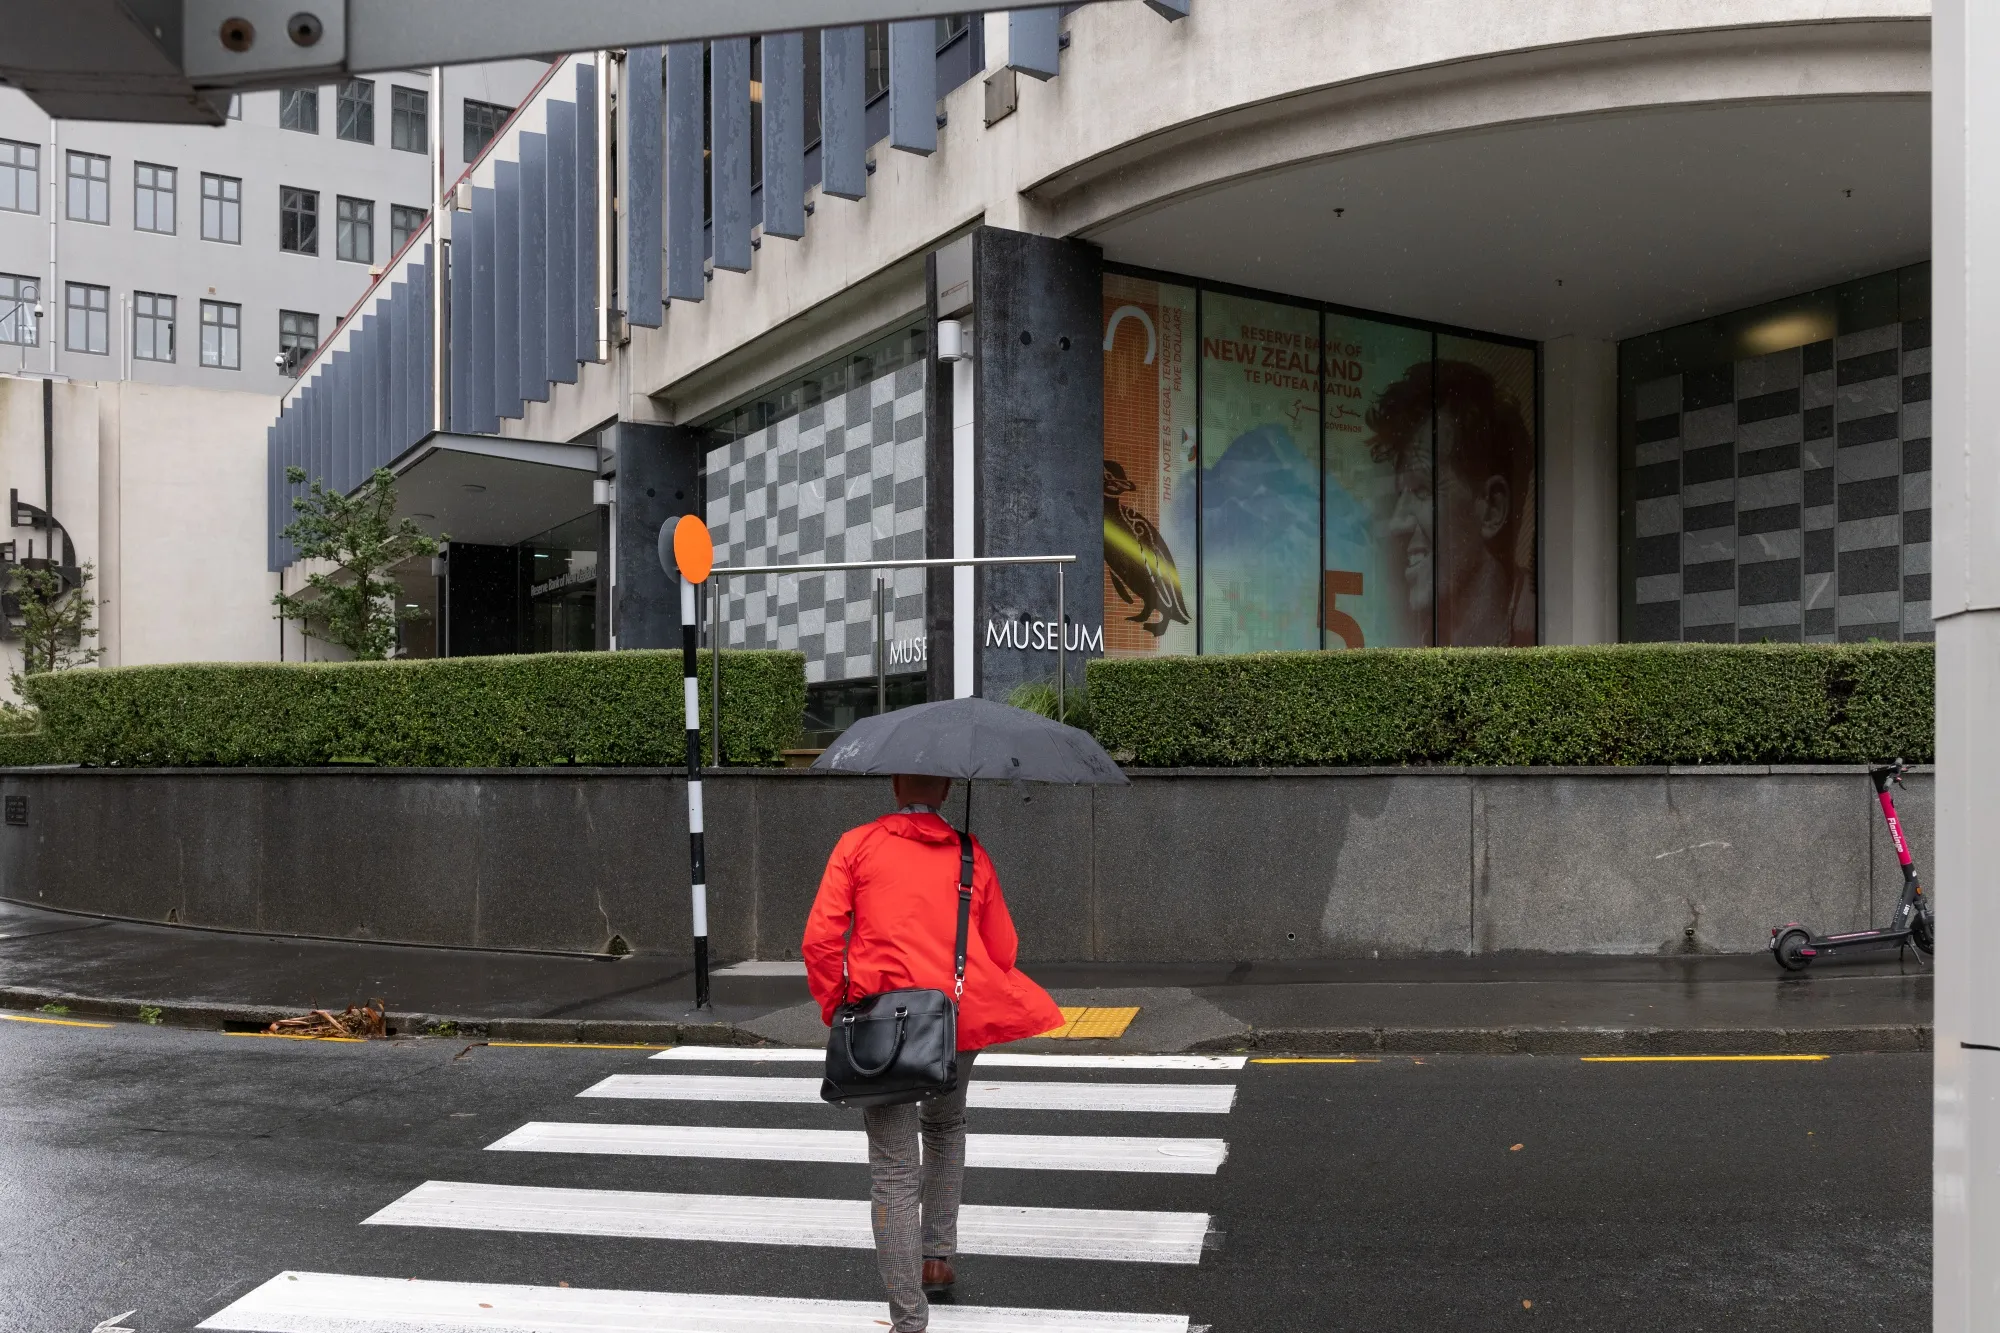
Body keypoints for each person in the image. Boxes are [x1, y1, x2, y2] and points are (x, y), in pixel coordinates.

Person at [802, 773, 1064, 1333]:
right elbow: (1004, 948)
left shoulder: (857, 845)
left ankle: (908, 1319)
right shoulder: (970, 853)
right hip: (955, 1019)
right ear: (945, 790)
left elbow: (821, 940)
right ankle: (937, 1256)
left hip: (882, 1025)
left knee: (894, 1168)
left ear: (895, 785)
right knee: (945, 1126)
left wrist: (837, 1006)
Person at [1370, 358, 1537, 646]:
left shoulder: (1547, 628)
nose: (1397, 523)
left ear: (1492, 509)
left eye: (1422, 490)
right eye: (1400, 495)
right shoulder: (1410, 646)